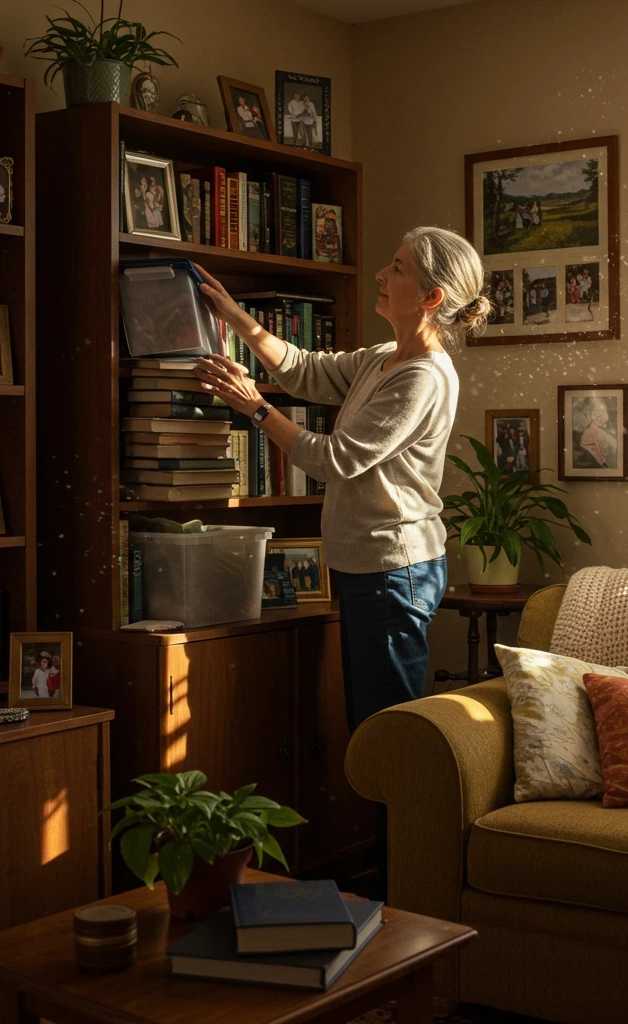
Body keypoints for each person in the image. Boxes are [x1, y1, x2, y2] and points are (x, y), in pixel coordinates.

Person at [191, 226, 489, 900]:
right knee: (375, 733)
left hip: (395, 573)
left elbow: (336, 459)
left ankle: (407, 896)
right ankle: (397, 889)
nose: (382, 275)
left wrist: (252, 406)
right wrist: (237, 319)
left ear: (431, 295)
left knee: (388, 740)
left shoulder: (423, 376)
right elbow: (303, 368)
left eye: (397, 266)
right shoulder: (385, 356)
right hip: (371, 571)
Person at [579, 399, 617, 468]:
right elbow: (597, 459)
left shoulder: (613, 427)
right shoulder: (589, 433)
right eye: (595, 413)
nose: (600, 415)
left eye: (602, 411)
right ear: (590, 416)